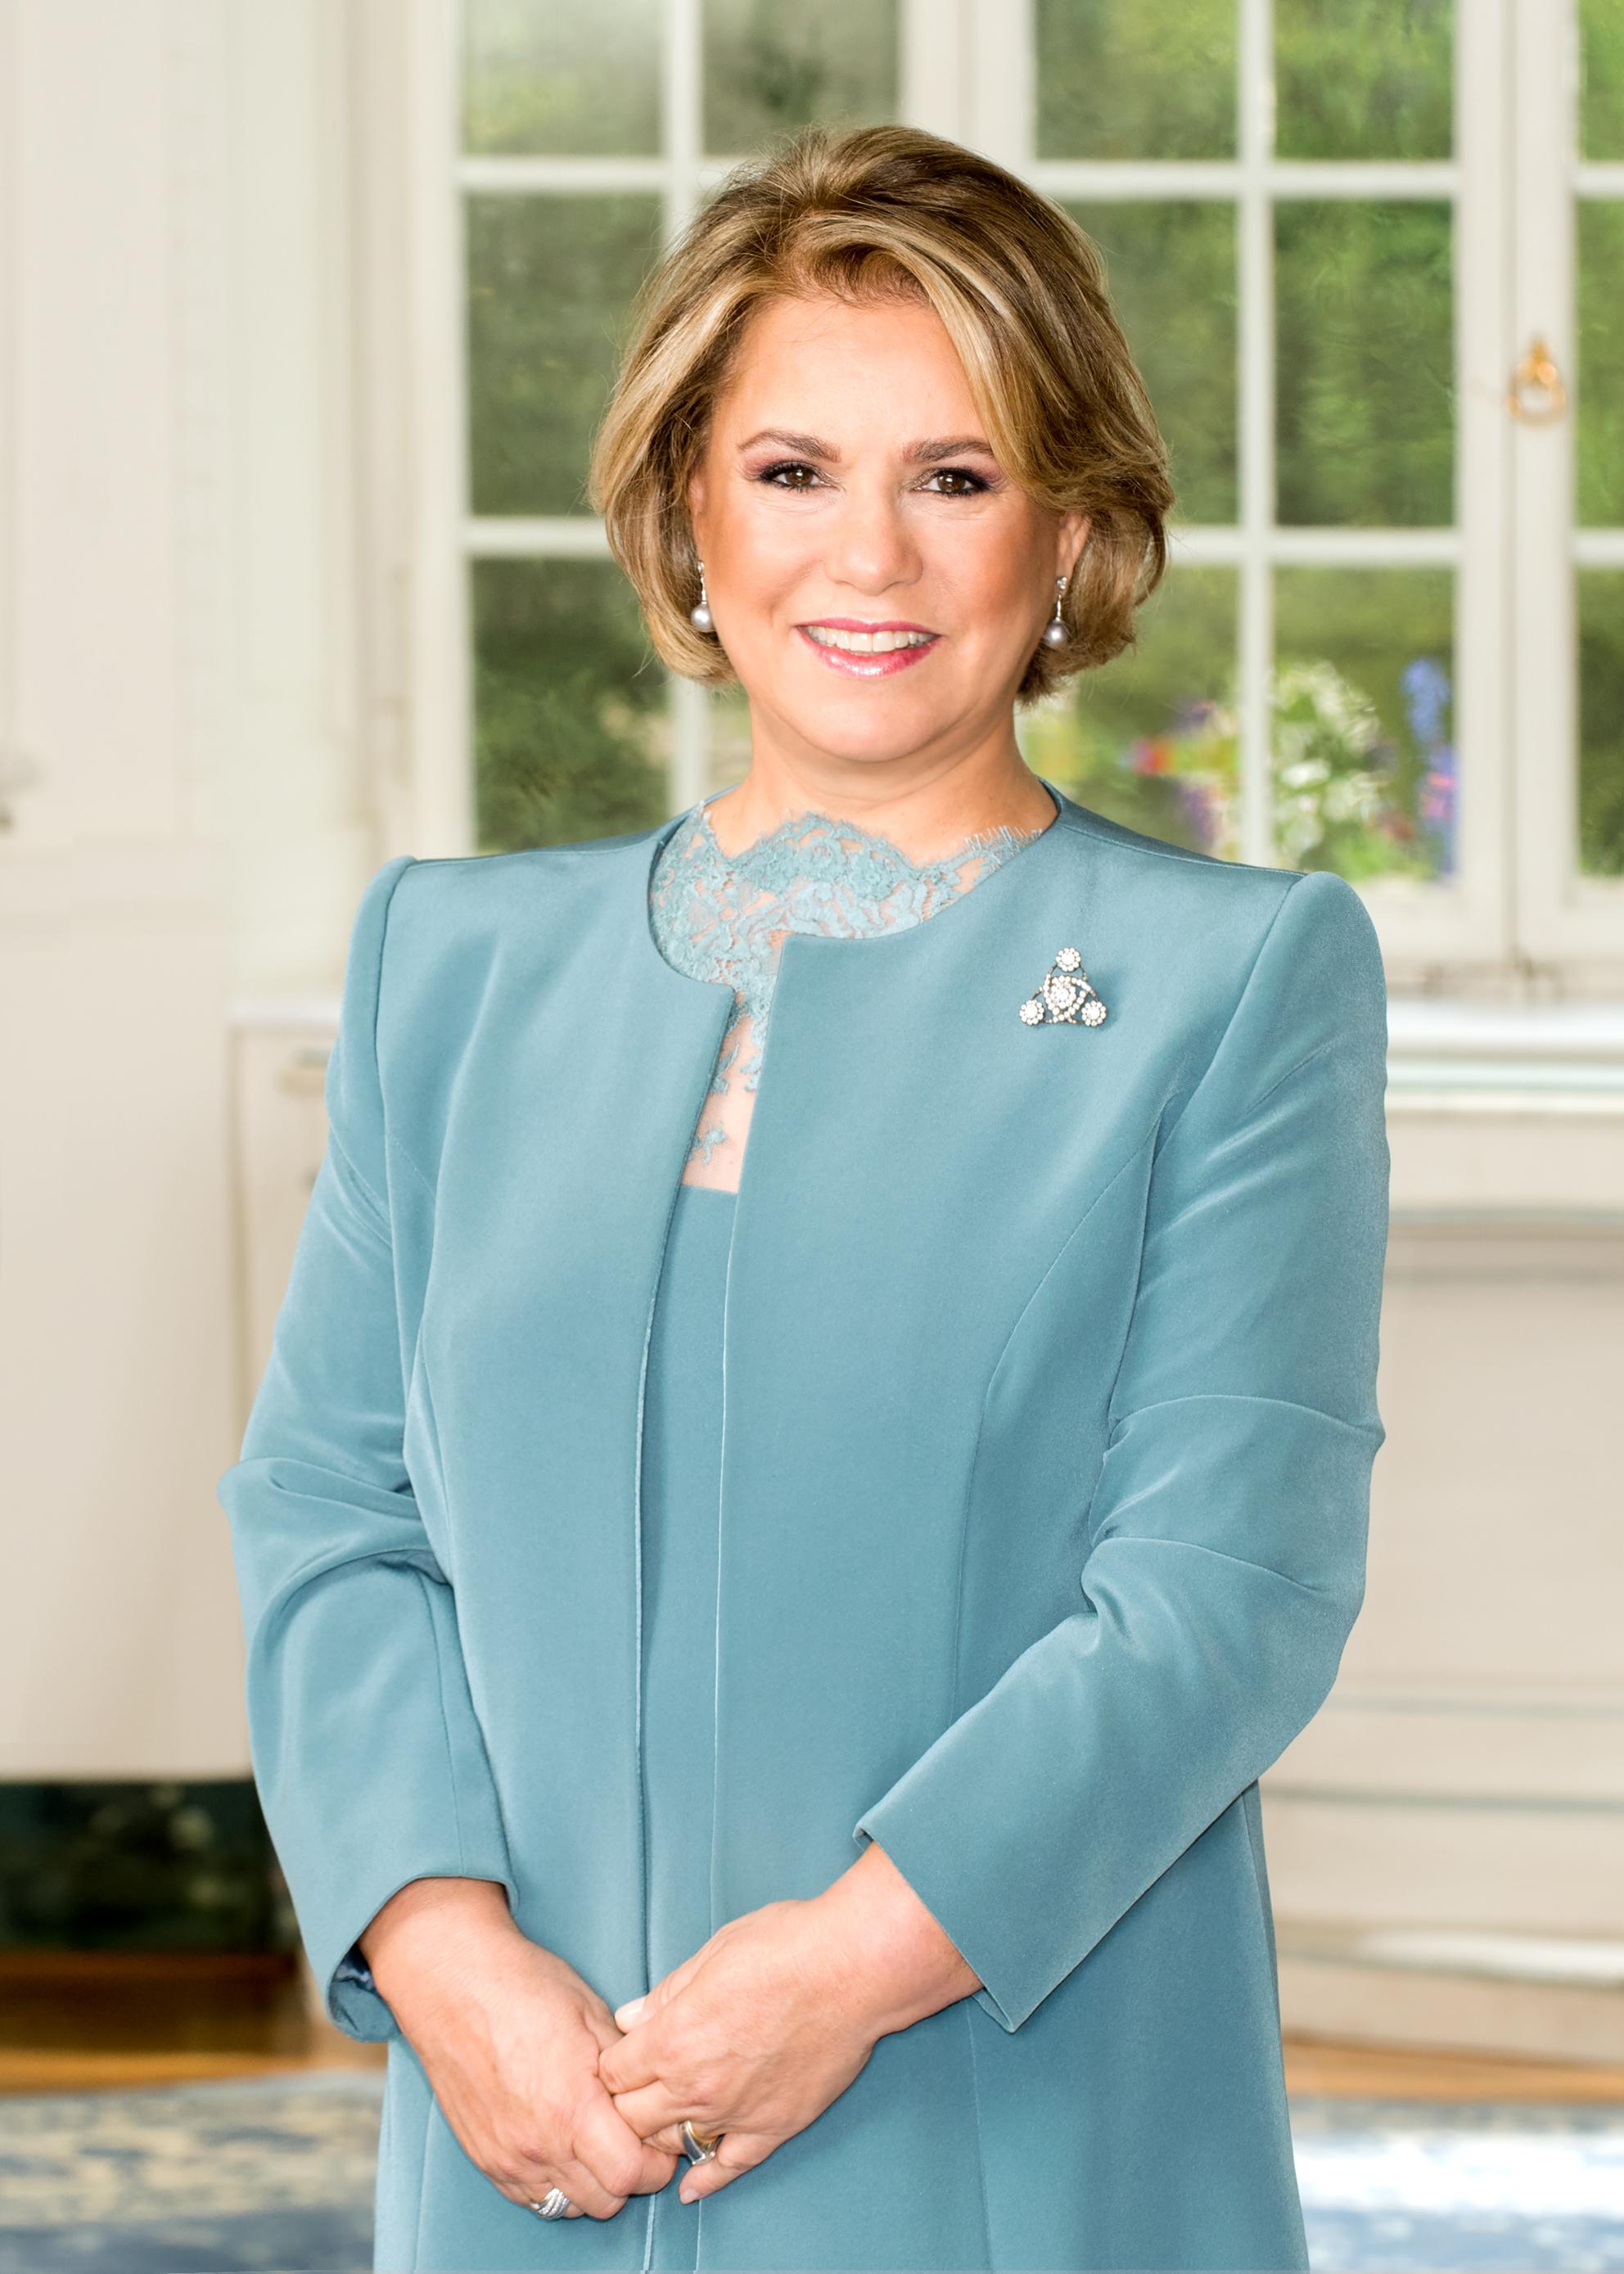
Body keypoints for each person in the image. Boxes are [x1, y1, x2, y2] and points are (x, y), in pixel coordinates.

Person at [218, 122, 1390, 2273]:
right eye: (792, 471)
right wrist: (441, 1949)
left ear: (1071, 531)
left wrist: (842, 1969)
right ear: (688, 512)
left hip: (1004, 2112)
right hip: (526, 2126)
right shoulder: (447, 969)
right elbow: (330, 1508)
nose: (872, 555)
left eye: (955, 474)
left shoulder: (1236, 980)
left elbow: (1226, 1591)